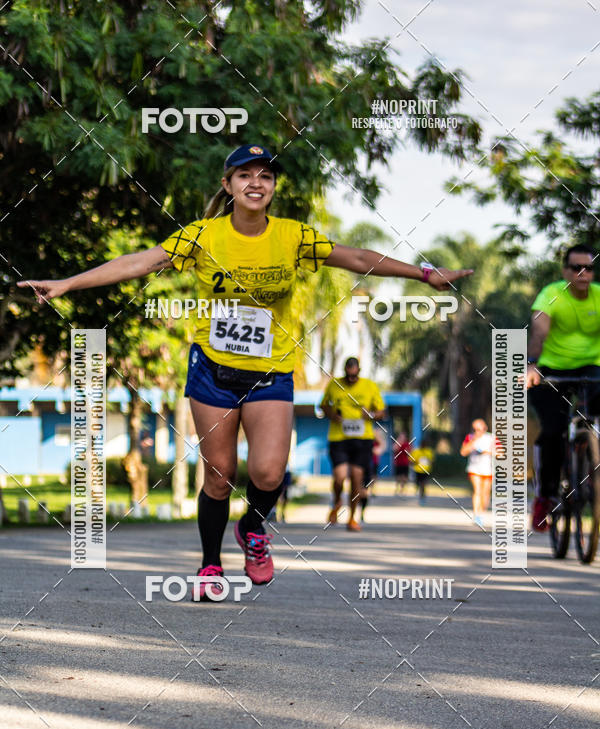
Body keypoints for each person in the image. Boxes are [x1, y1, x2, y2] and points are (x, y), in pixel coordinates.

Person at [18, 143, 472, 597]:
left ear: (273, 188)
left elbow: (356, 258)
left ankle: (253, 528)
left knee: (270, 473)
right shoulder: (202, 236)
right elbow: (139, 262)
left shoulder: (293, 236)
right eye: (245, 175)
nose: (256, 183)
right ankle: (210, 565)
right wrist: (68, 284)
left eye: (266, 176)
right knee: (219, 474)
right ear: (228, 185)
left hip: (270, 371)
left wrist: (424, 275)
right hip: (212, 369)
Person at [526, 244, 600, 531]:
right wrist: (532, 364)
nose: (583, 274)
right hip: (551, 369)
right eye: (576, 268)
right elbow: (540, 331)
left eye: (589, 268)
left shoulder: (597, 296)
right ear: (565, 271)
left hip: (592, 367)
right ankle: (545, 495)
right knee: (554, 431)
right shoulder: (551, 293)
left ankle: (591, 458)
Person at [320, 358, 385, 532]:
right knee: (339, 477)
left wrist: (370, 414)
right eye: (348, 376)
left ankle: (352, 518)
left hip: (362, 438)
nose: (351, 379)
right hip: (338, 438)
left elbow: (381, 411)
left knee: (357, 478)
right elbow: (323, 406)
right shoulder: (334, 385)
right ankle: (336, 501)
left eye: (354, 376)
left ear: (359, 371)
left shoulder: (370, 386)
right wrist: (333, 415)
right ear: (345, 371)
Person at [460, 419, 495, 527]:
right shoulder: (470, 437)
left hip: (488, 469)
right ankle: (476, 514)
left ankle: (482, 512)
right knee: (477, 490)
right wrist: (473, 440)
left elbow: (501, 453)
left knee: (485, 493)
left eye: (480, 429)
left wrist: (488, 451)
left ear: (485, 428)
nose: (478, 431)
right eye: (475, 429)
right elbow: (463, 452)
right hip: (474, 468)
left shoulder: (491, 438)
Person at [359, 430, 385, 522]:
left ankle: (361, 512)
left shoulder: (373, 437)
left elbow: (381, 448)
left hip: (370, 464)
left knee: (365, 490)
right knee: (356, 488)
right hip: (357, 464)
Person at [412, 439, 434, 505]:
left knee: (423, 484)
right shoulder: (416, 451)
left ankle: (422, 497)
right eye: (422, 444)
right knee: (417, 483)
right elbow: (412, 460)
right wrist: (416, 461)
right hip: (417, 470)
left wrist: (429, 463)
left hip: (425, 471)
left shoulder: (429, 451)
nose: (423, 446)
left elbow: (431, 461)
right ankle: (418, 490)